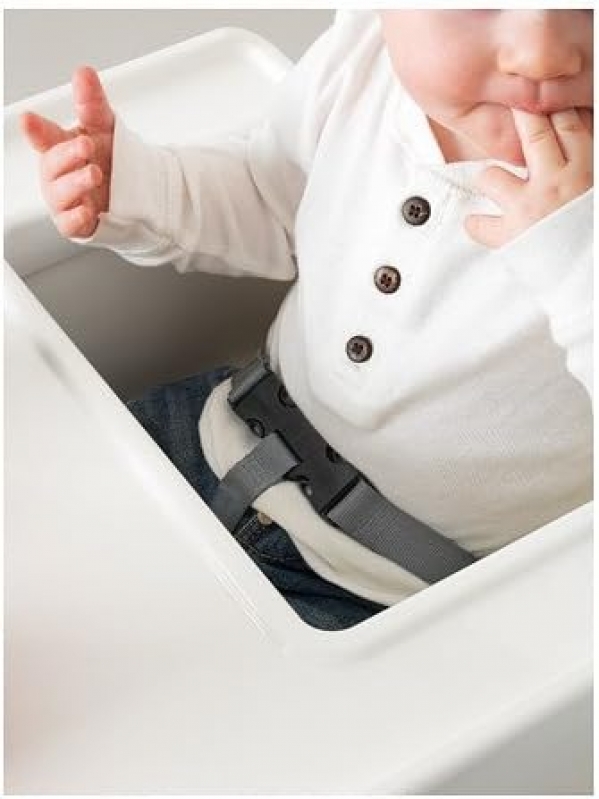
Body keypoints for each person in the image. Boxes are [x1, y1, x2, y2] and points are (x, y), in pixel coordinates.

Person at [20, 10, 593, 630]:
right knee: (36, 549)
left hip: (382, 597)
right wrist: (142, 188)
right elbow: (269, 197)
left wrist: (574, 254)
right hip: (208, 434)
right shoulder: (362, 62)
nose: (543, 57)